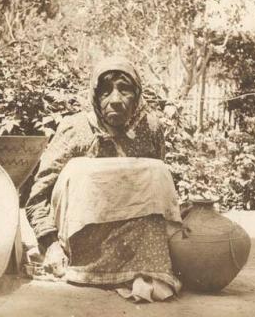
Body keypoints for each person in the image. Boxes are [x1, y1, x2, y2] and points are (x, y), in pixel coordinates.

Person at [25, 56, 181, 301]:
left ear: (138, 94)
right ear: (95, 97)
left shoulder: (150, 129)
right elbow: (38, 196)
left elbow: (155, 196)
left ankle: (139, 266)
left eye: (125, 90)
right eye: (106, 91)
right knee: (81, 170)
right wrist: (50, 244)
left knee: (156, 171)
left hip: (139, 248)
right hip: (81, 244)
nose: (116, 100)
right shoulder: (75, 129)